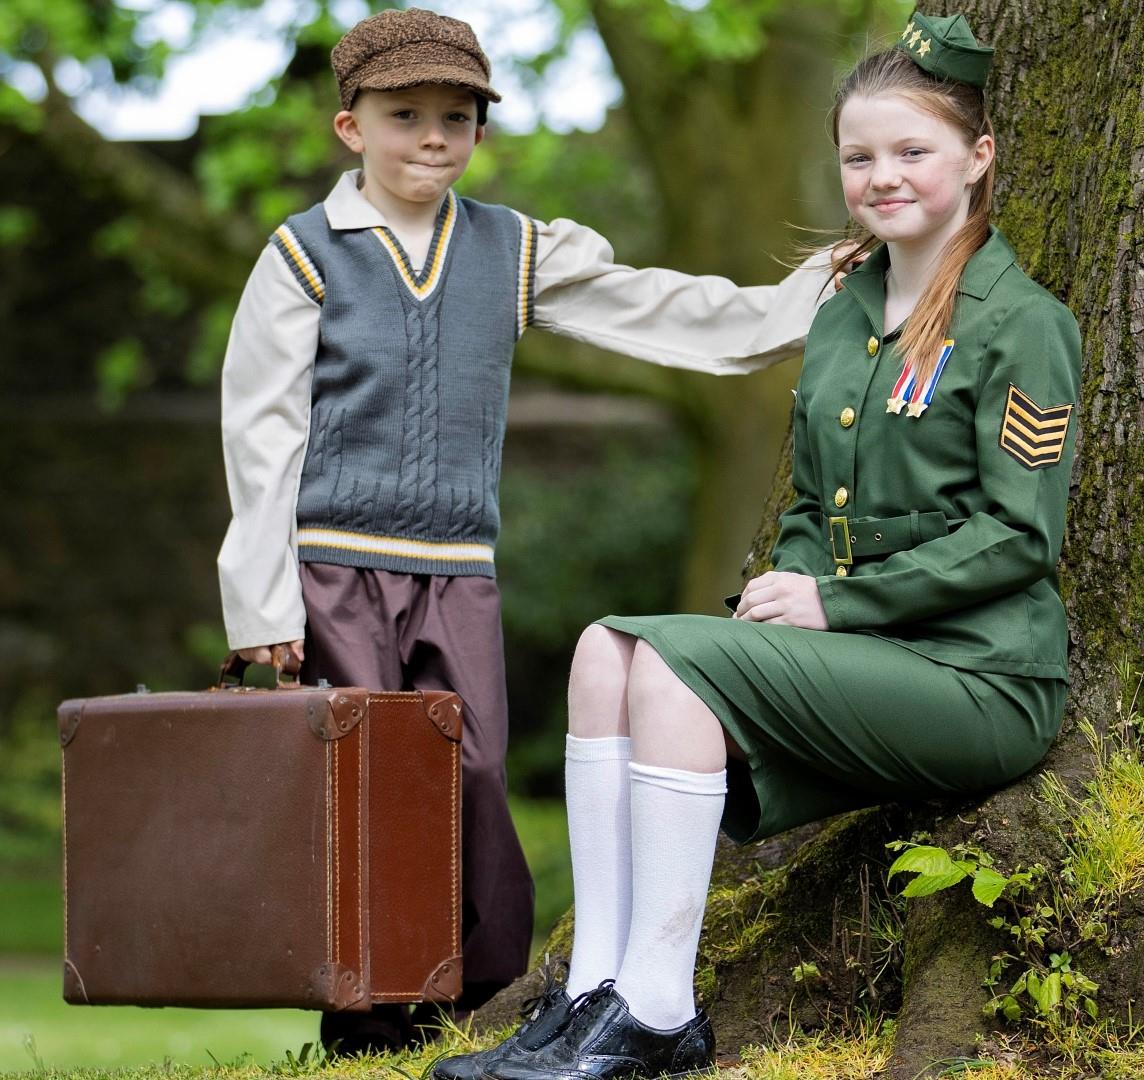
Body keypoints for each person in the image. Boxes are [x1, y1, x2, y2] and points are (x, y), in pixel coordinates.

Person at [433, 11, 1082, 1079]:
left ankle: (658, 1010)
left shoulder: (1023, 323)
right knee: (606, 651)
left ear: (978, 158)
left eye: (912, 151)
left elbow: (1018, 539)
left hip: (981, 673)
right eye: (859, 156)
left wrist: (835, 609)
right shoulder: (845, 304)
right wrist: (787, 595)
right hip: (862, 660)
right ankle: (594, 990)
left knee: (681, 674)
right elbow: (813, 509)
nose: (882, 176)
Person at [215, 6, 833, 1055]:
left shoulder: (510, 250)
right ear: (349, 127)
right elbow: (261, 430)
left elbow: (660, 309)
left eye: (456, 118)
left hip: (458, 570)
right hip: (331, 570)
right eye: (404, 114)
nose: (432, 138)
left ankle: (477, 997)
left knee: (475, 777)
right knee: (360, 789)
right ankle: (364, 1012)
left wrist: (802, 302)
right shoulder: (304, 255)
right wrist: (261, 603)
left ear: (479, 133)